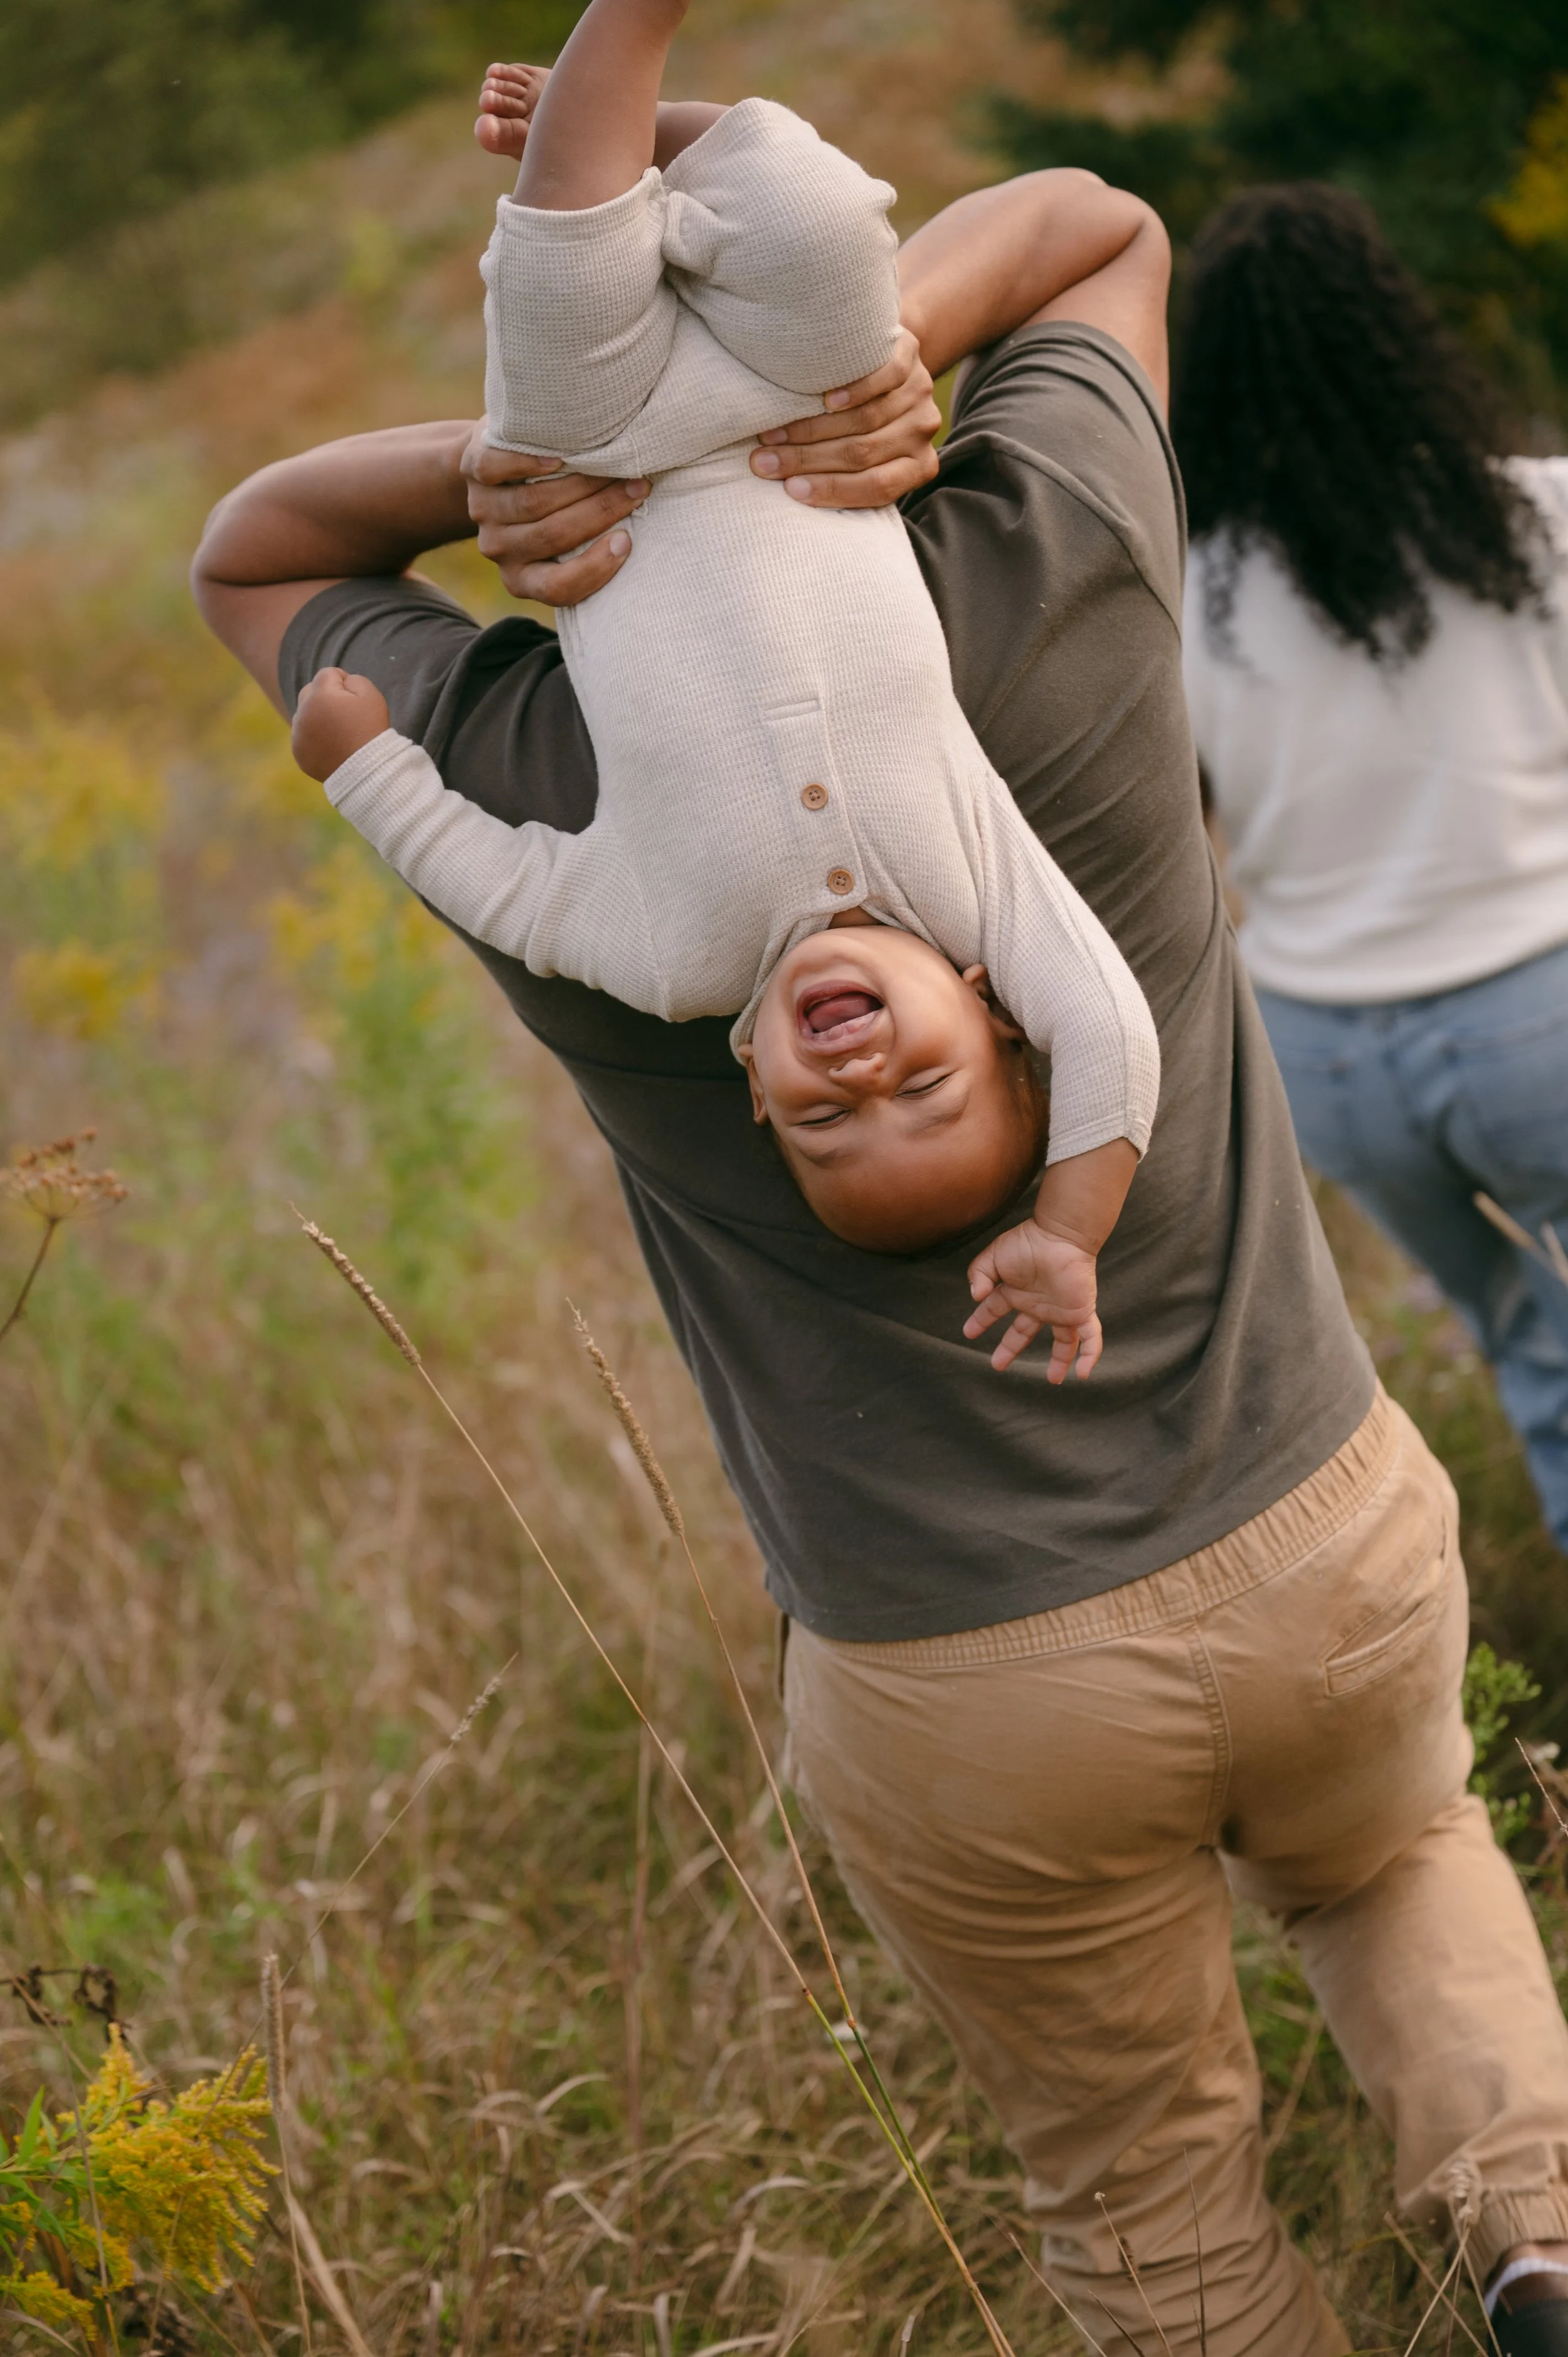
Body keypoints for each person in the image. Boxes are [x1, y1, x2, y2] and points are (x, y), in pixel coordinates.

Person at [192, 78, 1568, 2350]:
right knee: (1402, 1854)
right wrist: (875, 355)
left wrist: (528, 469)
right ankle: (1529, 2225)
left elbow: (249, 554)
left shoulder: (572, 819)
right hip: (1315, 1524)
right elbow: (1106, 229)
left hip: (962, 1672)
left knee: (1136, 2177)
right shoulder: (1051, 585)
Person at [289, 17, 1160, 1381]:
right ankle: (648, 119)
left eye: (823, 1126)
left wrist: (363, 773)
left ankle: (615, 47)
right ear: (994, 1013)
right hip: (801, 405)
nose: (861, 1083)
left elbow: (495, 885)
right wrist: (1066, 1231)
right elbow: (1112, 1040)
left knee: (562, 260)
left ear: (755, 1088)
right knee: (817, 223)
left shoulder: (671, 961)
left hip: (596, 454)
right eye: (926, 1088)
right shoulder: (984, 901)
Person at [1177, 181, 1568, 1556]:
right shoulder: (1530, 522)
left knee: (1534, 1353)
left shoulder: (1184, 597)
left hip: (1331, 1063)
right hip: (1540, 1008)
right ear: (1394, 334)